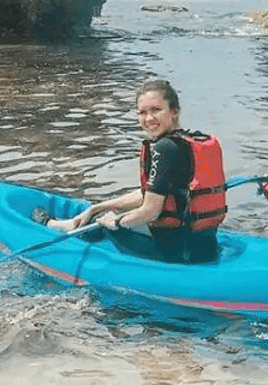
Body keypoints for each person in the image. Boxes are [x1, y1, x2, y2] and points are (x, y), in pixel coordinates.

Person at [42, 78, 227, 264]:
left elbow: (150, 211)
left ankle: (51, 227)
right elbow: (153, 194)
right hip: (205, 249)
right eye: (142, 112)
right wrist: (98, 207)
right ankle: (73, 223)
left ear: (174, 111)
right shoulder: (189, 142)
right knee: (105, 213)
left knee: (103, 223)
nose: (149, 119)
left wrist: (115, 222)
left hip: (173, 255)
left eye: (156, 110)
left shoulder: (165, 148)